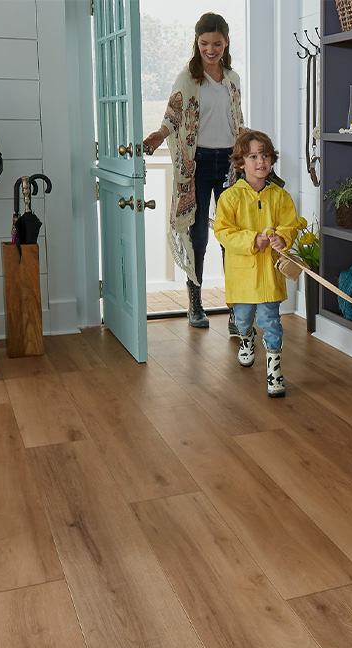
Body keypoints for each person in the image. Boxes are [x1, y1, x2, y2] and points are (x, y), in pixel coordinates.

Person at [143, 12, 244, 329]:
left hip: (229, 163)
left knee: (233, 238)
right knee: (198, 237)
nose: (210, 50)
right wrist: (158, 136)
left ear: (225, 42)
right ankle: (196, 304)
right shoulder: (187, 77)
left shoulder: (232, 79)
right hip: (196, 164)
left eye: (216, 43)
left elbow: (236, 121)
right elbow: (172, 116)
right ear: (197, 43)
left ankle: (236, 311)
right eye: (204, 44)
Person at [214, 131, 298, 397]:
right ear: (241, 163)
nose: (261, 161)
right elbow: (223, 231)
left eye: (265, 156)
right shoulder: (230, 197)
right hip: (243, 276)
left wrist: (282, 238)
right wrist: (253, 240)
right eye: (253, 156)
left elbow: (290, 224)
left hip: (269, 276)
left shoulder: (280, 197)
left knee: (272, 321)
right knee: (243, 319)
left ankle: (274, 372)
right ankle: (247, 339)